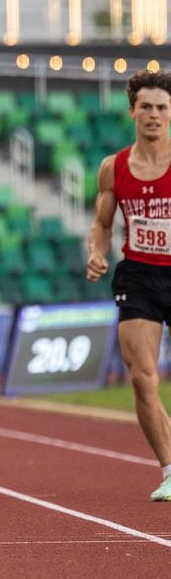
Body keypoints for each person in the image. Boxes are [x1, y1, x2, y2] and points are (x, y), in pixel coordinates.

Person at [86, 68, 171, 502]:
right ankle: (170, 470)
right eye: (146, 107)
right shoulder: (113, 167)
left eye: (161, 107)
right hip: (138, 274)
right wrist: (97, 252)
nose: (153, 115)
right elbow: (102, 225)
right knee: (142, 378)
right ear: (132, 111)